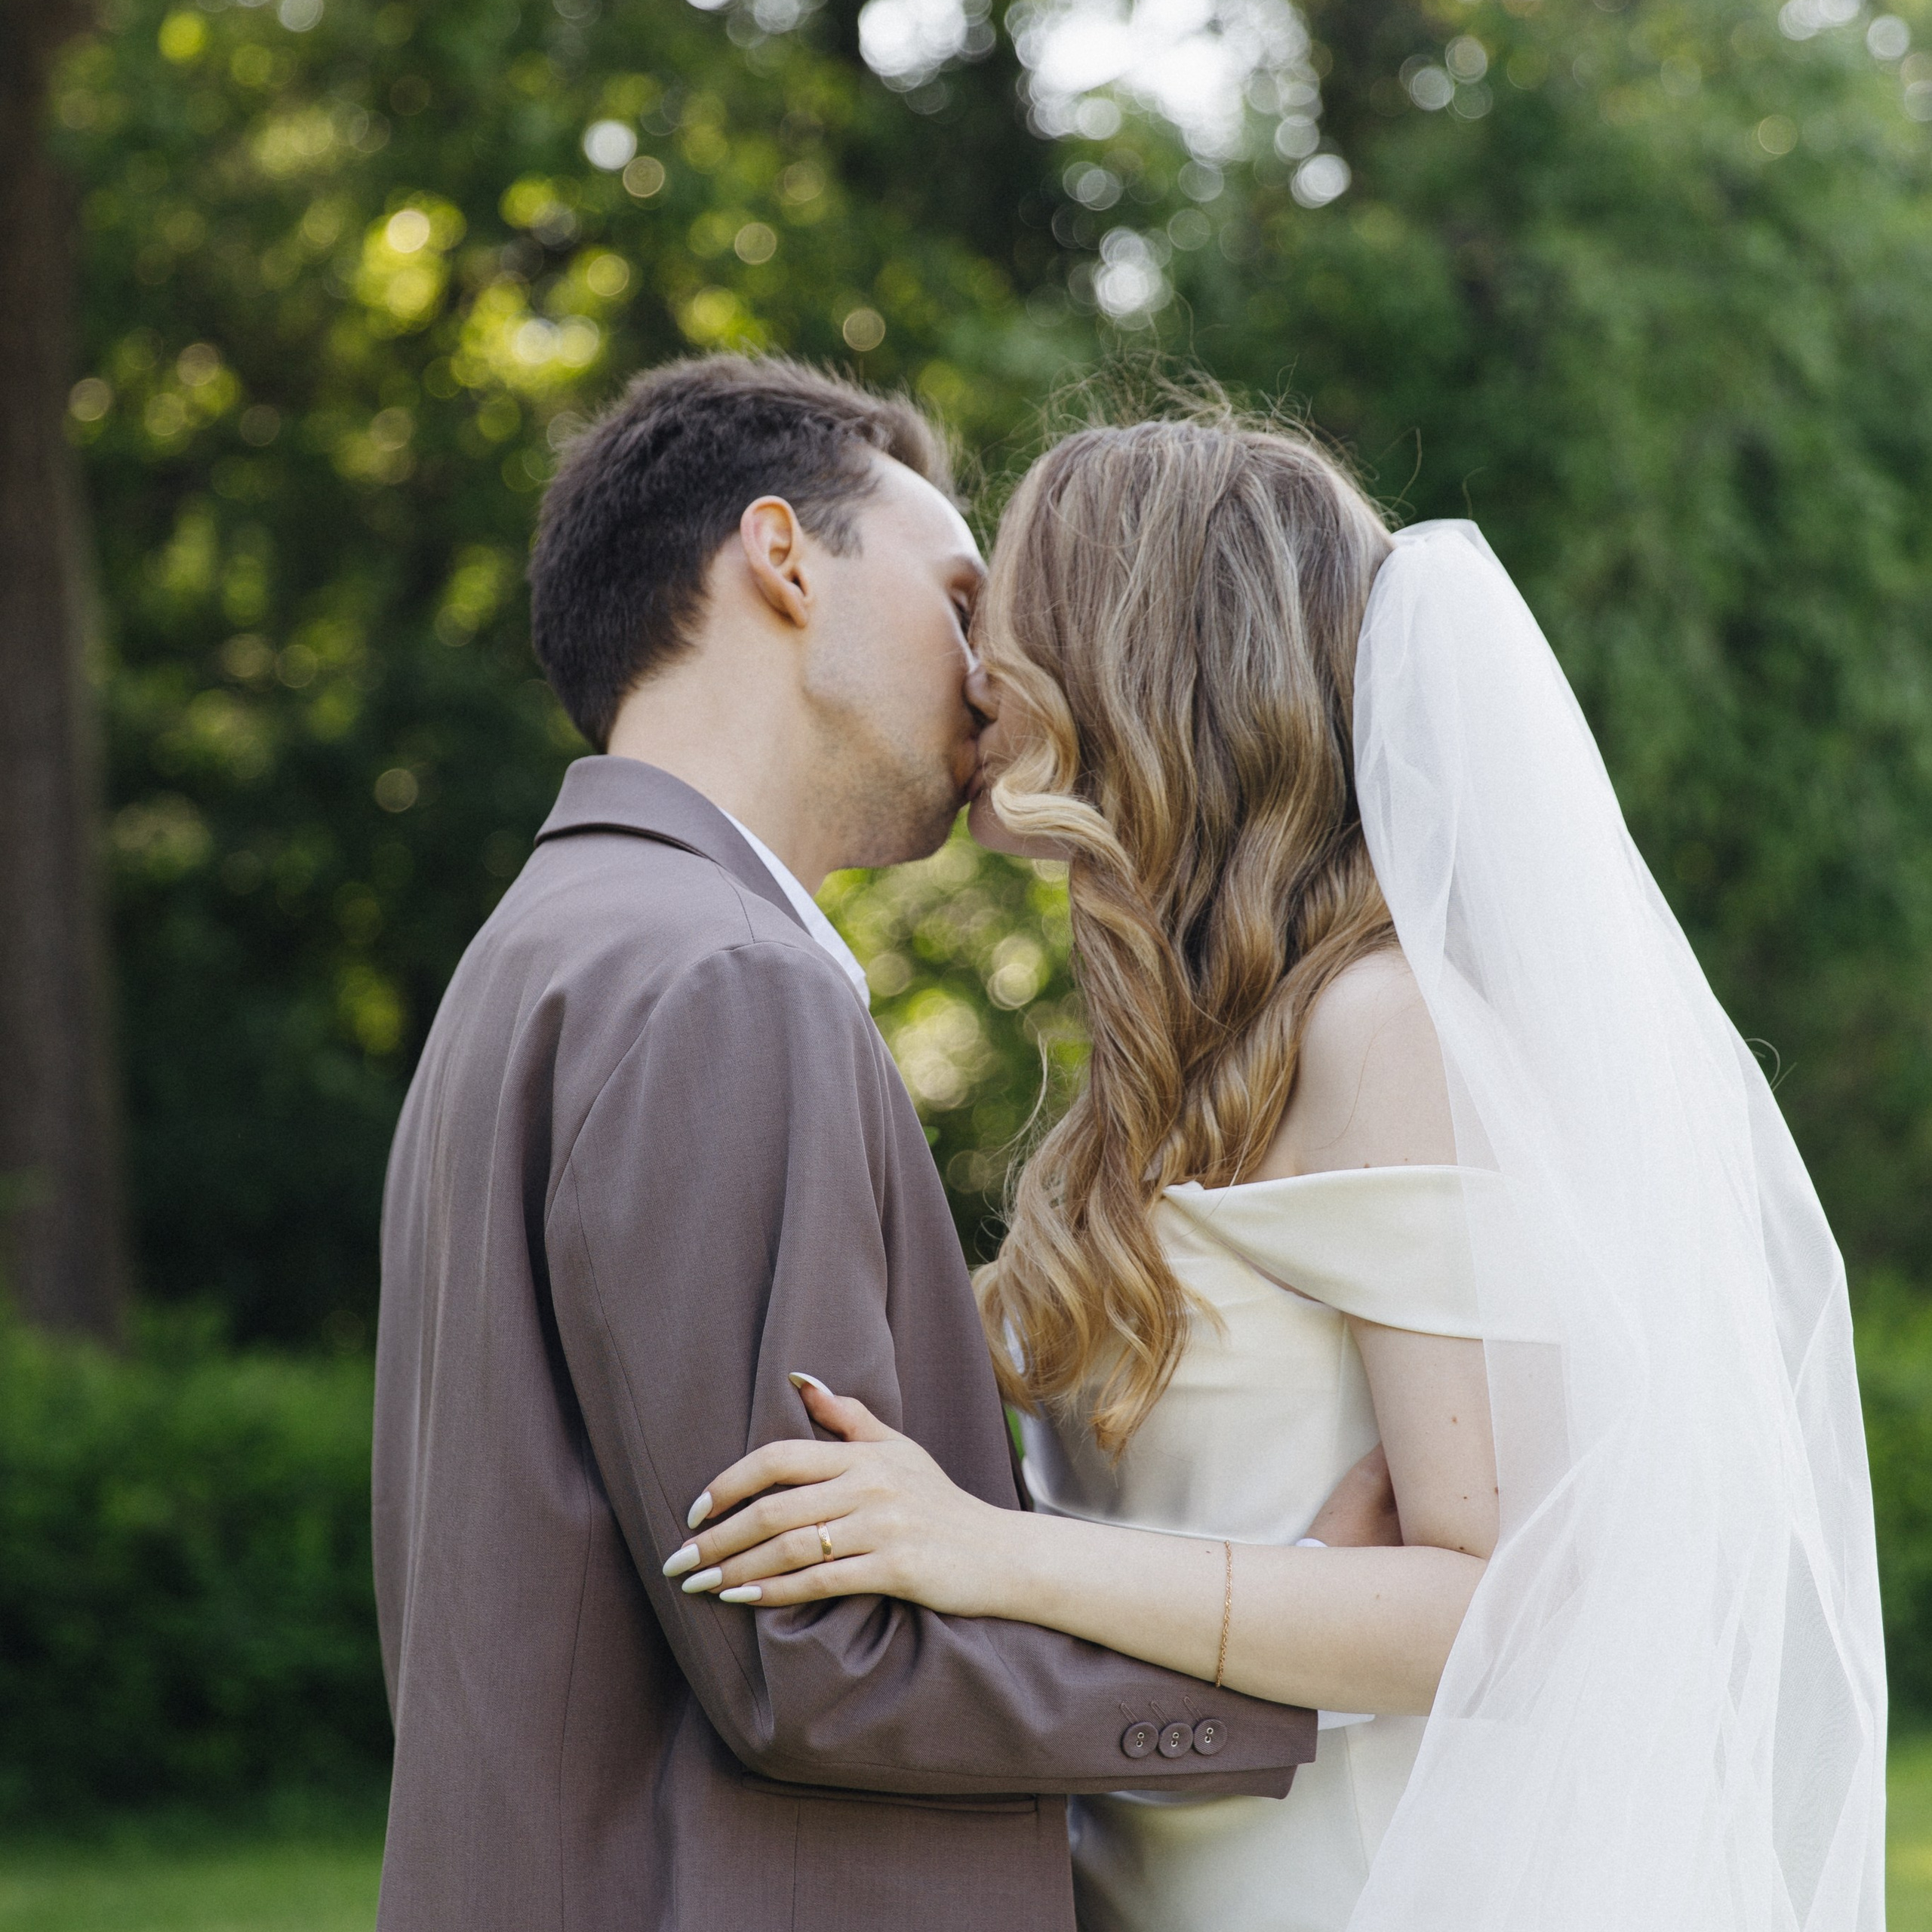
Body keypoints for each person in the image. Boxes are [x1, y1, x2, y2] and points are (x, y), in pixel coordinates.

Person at [675, 414, 1890, 1930]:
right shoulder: (1172, 1063)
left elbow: (1501, 1605)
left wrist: (992, 1552)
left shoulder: (1378, 1029)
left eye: (1012, 607)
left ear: (1143, 655)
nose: (970, 656)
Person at [371, 360, 1400, 1932]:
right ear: (783, 559)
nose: (996, 666)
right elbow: (818, 1653)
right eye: (958, 592)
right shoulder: (725, 979)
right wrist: (1282, 1672)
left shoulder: (550, 947)